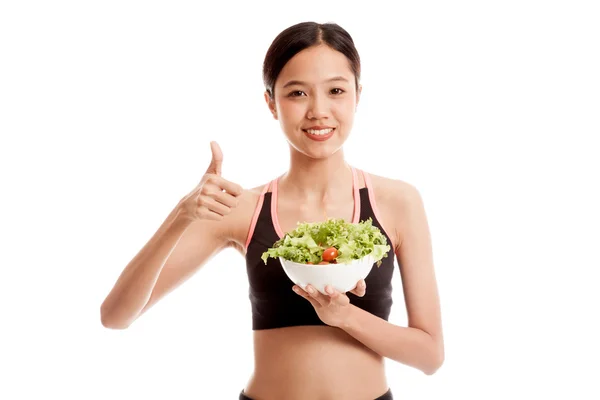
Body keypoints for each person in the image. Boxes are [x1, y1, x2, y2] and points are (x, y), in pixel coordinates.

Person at [100, 21, 444, 400]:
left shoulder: (397, 202)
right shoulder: (242, 208)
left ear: (357, 96)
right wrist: (182, 215)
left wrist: (344, 316)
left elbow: (429, 356)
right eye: (297, 93)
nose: (318, 111)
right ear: (271, 102)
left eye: (336, 91)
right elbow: (115, 316)